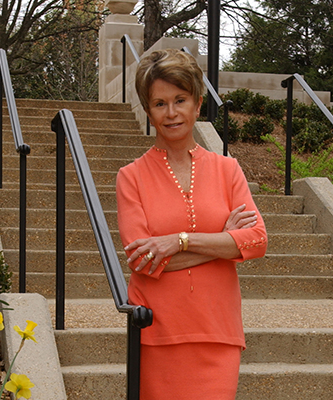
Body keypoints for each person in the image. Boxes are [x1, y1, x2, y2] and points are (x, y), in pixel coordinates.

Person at [115, 48, 268, 399]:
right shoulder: (131, 177)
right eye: (159, 103)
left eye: (180, 100)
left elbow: (256, 240)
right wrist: (223, 242)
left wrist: (177, 241)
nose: (171, 113)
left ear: (198, 104)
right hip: (159, 333)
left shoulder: (227, 169)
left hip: (218, 331)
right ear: (149, 111)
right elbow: (142, 259)